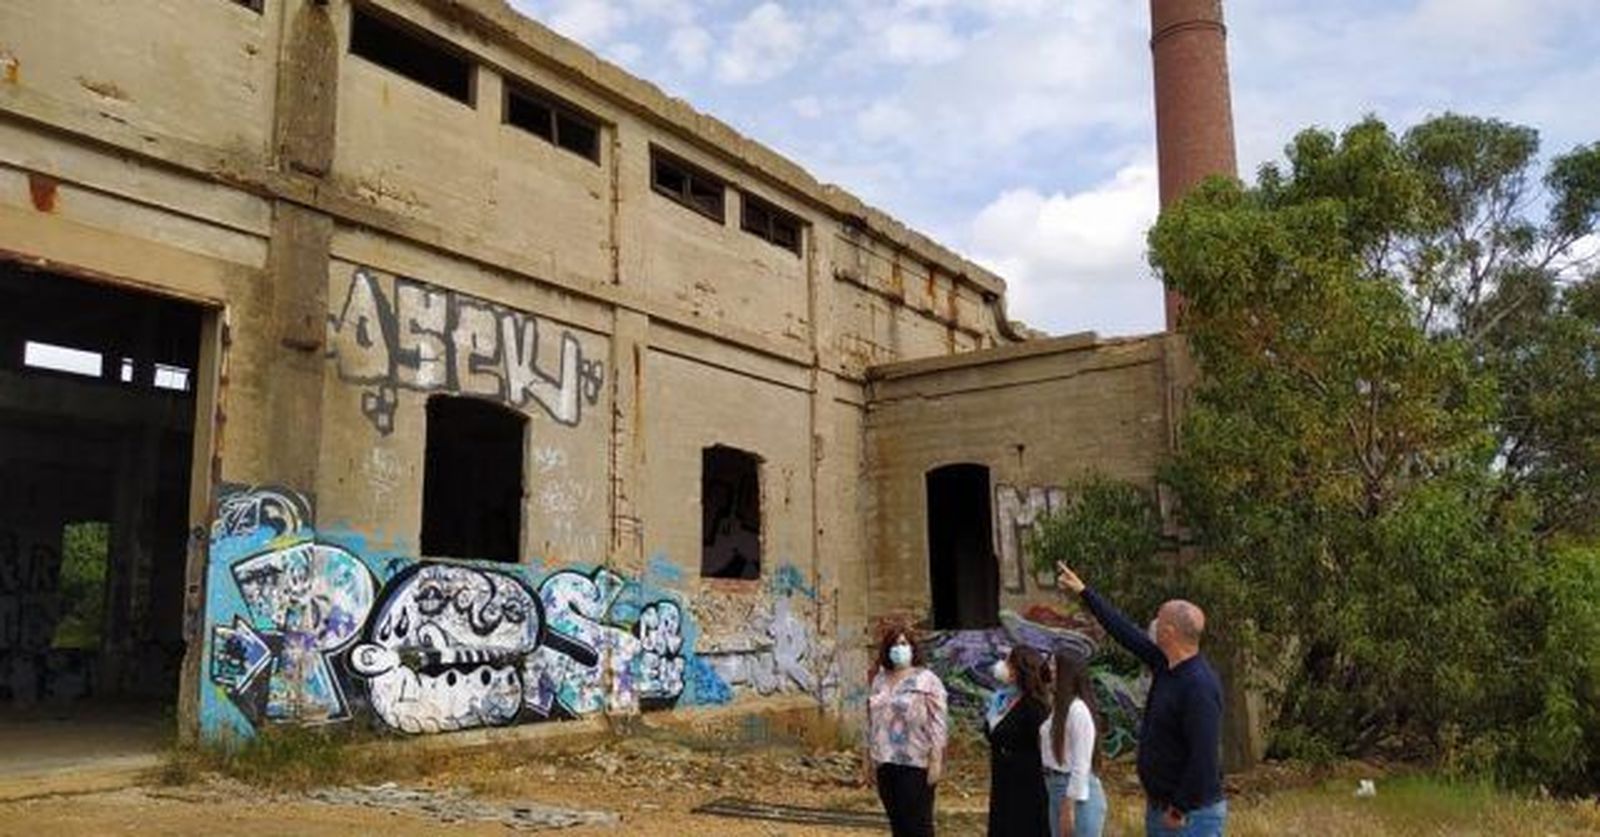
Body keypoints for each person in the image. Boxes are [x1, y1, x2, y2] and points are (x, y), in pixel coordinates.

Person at [1054, 561, 1226, 836]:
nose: (1152, 625)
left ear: (1169, 633)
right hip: (1161, 808)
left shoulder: (1198, 686)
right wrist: (1085, 592)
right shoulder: (1164, 663)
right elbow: (1125, 632)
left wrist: (1179, 808)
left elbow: (1204, 757)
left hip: (1189, 817)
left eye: (1159, 620)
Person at [864, 623, 949, 837]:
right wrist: (868, 757)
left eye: (903, 644)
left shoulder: (927, 680)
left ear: (912, 648)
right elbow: (872, 720)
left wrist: (936, 759)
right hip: (886, 761)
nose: (898, 649)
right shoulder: (880, 680)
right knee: (897, 823)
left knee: (918, 824)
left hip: (915, 762)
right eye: (893, 644)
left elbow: (938, 721)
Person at [983, 645, 1051, 836]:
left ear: (1020, 669)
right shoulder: (1001, 700)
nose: (1002, 666)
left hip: (1027, 785)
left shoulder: (1035, 706)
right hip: (1002, 779)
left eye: (1008, 662)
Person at [1042, 651, 1109, 837]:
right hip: (1055, 785)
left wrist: (1069, 805)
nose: (1050, 669)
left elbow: (1082, 763)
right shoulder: (1058, 708)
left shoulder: (1077, 710)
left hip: (1075, 792)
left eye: (1056, 666)